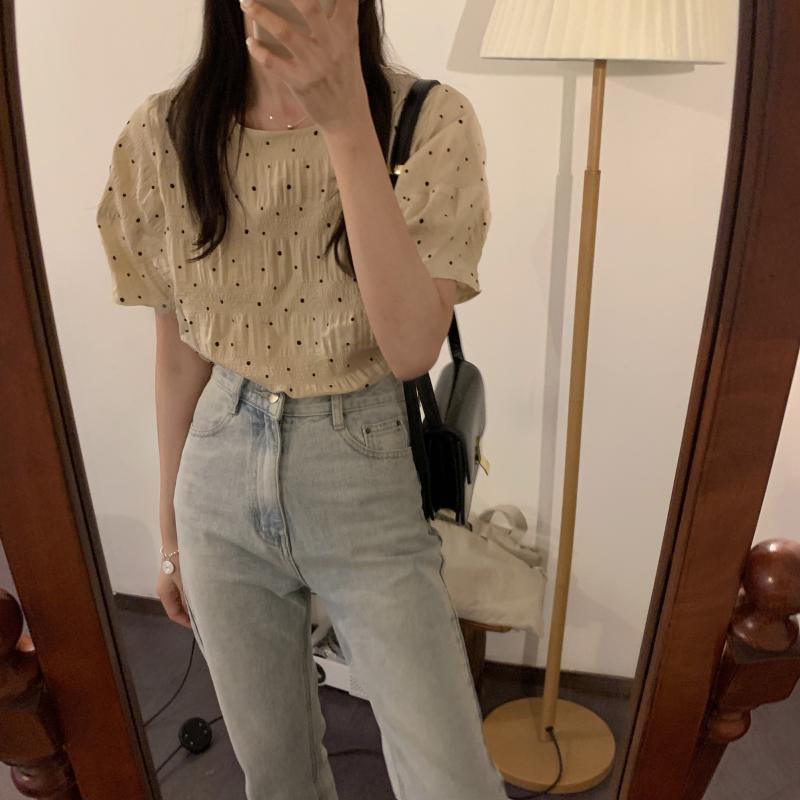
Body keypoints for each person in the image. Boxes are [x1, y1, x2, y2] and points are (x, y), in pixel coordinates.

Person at [95, 1, 502, 797]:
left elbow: (411, 348)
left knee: (452, 780)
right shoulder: (165, 133)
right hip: (217, 465)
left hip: (362, 462)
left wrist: (346, 123)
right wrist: (172, 532)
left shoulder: (428, 121)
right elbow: (179, 355)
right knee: (276, 774)